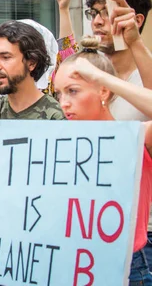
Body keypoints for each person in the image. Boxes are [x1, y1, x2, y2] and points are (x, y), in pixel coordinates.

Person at [54, 38, 152, 286]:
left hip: (128, 267)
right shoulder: (58, 144)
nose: (63, 102)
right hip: (73, 265)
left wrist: (104, 78)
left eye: (73, 91)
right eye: (59, 93)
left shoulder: (134, 136)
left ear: (103, 92)